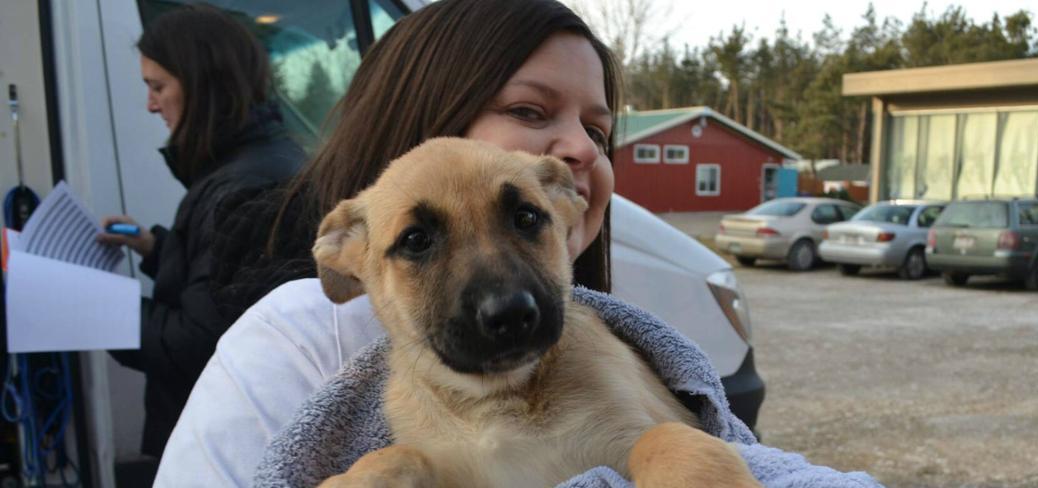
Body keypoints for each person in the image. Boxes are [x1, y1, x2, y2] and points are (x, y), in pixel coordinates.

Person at [155, 1, 881, 486]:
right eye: (531, 110)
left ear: (562, 205)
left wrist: (678, 450)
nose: (581, 150)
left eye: (598, 131)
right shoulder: (294, 344)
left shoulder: (601, 352)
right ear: (350, 256)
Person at [94, 4, 304, 462]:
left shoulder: (244, 185)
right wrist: (155, 248)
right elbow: (223, 275)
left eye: (158, 87)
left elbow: (197, 344)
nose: (151, 104)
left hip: (218, 450)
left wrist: (95, 306)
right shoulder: (248, 165)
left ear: (203, 86)